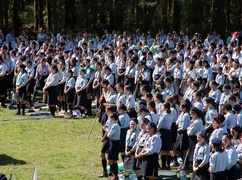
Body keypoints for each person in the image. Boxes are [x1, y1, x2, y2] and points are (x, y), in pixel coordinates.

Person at [103, 112, 120, 180]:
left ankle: (115, 175)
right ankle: (114, 175)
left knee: (111, 160)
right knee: (113, 160)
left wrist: (105, 130)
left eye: (110, 118)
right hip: (112, 142)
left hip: (114, 144)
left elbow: (109, 135)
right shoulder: (114, 125)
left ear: (113, 118)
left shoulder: (115, 125)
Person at [98, 106, 114, 178]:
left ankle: (108, 172)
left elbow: (108, 131)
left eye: (106, 110)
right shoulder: (108, 118)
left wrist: (103, 138)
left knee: (105, 155)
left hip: (108, 139)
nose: (105, 112)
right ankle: (106, 171)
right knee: (102, 154)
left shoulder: (111, 119)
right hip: (107, 138)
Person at [157, 102, 173, 169]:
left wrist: (156, 130)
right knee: (168, 149)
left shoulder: (163, 115)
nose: (161, 108)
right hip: (169, 132)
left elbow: (159, 125)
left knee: (163, 149)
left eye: (162, 106)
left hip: (163, 132)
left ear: (165, 107)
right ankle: (168, 164)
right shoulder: (170, 115)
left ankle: (163, 165)